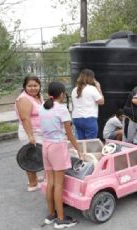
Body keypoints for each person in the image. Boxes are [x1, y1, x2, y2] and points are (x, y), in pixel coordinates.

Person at [39, 81, 83, 228]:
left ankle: (51, 215)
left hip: (45, 146)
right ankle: (61, 219)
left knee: (50, 182)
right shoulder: (62, 109)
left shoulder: (42, 108)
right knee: (59, 184)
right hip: (57, 147)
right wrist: (79, 149)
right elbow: (70, 134)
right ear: (62, 94)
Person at [15, 76, 44, 192]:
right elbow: (24, 118)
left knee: (36, 156)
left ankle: (35, 178)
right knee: (30, 158)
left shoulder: (38, 96)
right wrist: (30, 136)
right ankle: (32, 184)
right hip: (30, 133)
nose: (33, 88)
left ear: (39, 86)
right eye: (30, 86)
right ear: (24, 86)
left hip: (39, 132)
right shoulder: (24, 99)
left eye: (35, 85)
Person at [71, 69, 104, 139]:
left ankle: (81, 150)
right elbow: (101, 102)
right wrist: (99, 89)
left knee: (80, 142)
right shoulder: (92, 89)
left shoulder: (74, 90)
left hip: (76, 118)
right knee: (90, 143)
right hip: (89, 118)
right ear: (91, 78)